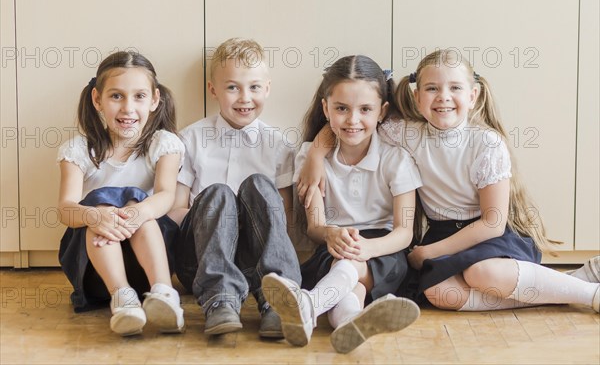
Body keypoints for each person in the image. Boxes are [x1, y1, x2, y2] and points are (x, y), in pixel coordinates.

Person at [297, 49, 600, 314]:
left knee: (482, 273)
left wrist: (430, 252)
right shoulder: (407, 133)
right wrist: (315, 156)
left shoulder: (486, 143)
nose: (443, 97)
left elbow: (493, 223)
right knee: (439, 293)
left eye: (455, 87)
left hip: (488, 235)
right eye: (431, 88)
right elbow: (352, 124)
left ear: (473, 96)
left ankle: (589, 294)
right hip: (442, 234)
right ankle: (561, 289)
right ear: (416, 97)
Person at [262, 55, 421, 354]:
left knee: (350, 263)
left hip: (384, 250)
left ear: (382, 111)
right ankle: (351, 320)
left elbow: (405, 231)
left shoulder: (396, 159)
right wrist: (331, 233)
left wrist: (368, 248)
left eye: (365, 110)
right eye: (341, 109)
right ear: (326, 108)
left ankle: (309, 304)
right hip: (332, 245)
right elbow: (314, 227)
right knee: (351, 282)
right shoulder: (310, 158)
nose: (352, 120)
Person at [168, 38, 301, 338]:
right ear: (213, 90)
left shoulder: (279, 146)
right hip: (200, 262)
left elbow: (283, 221)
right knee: (219, 193)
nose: (244, 97)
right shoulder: (190, 140)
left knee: (258, 186)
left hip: (257, 265)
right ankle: (220, 299)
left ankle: (278, 300)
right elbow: (176, 209)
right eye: (232, 87)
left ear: (267, 88)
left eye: (254, 87)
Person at [57, 51, 185, 336]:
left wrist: (136, 213)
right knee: (100, 203)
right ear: (97, 100)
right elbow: (65, 207)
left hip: (148, 263)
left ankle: (165, 293)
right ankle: (122, 297)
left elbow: (165, 194)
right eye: (116, 96)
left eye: (139, 96)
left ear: (154, 100)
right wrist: (95, 216)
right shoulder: (79, 150)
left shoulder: (164, 144)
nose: (128, 108)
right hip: (94, 269)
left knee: (139, 202)